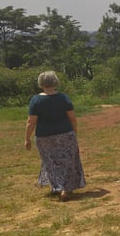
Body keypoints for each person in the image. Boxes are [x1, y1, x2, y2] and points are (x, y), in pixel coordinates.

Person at [24, 71, 85, 201]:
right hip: (65, 133)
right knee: (68, 161)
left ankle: (57, 186)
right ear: (55, 82)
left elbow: (31, 122)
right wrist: (74, 133)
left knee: (51, 161)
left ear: (41, 83)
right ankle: (65, 188)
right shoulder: (63, 98)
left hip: (45, 136)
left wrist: (27, 138)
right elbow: (72, 118)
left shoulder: (36, 100)